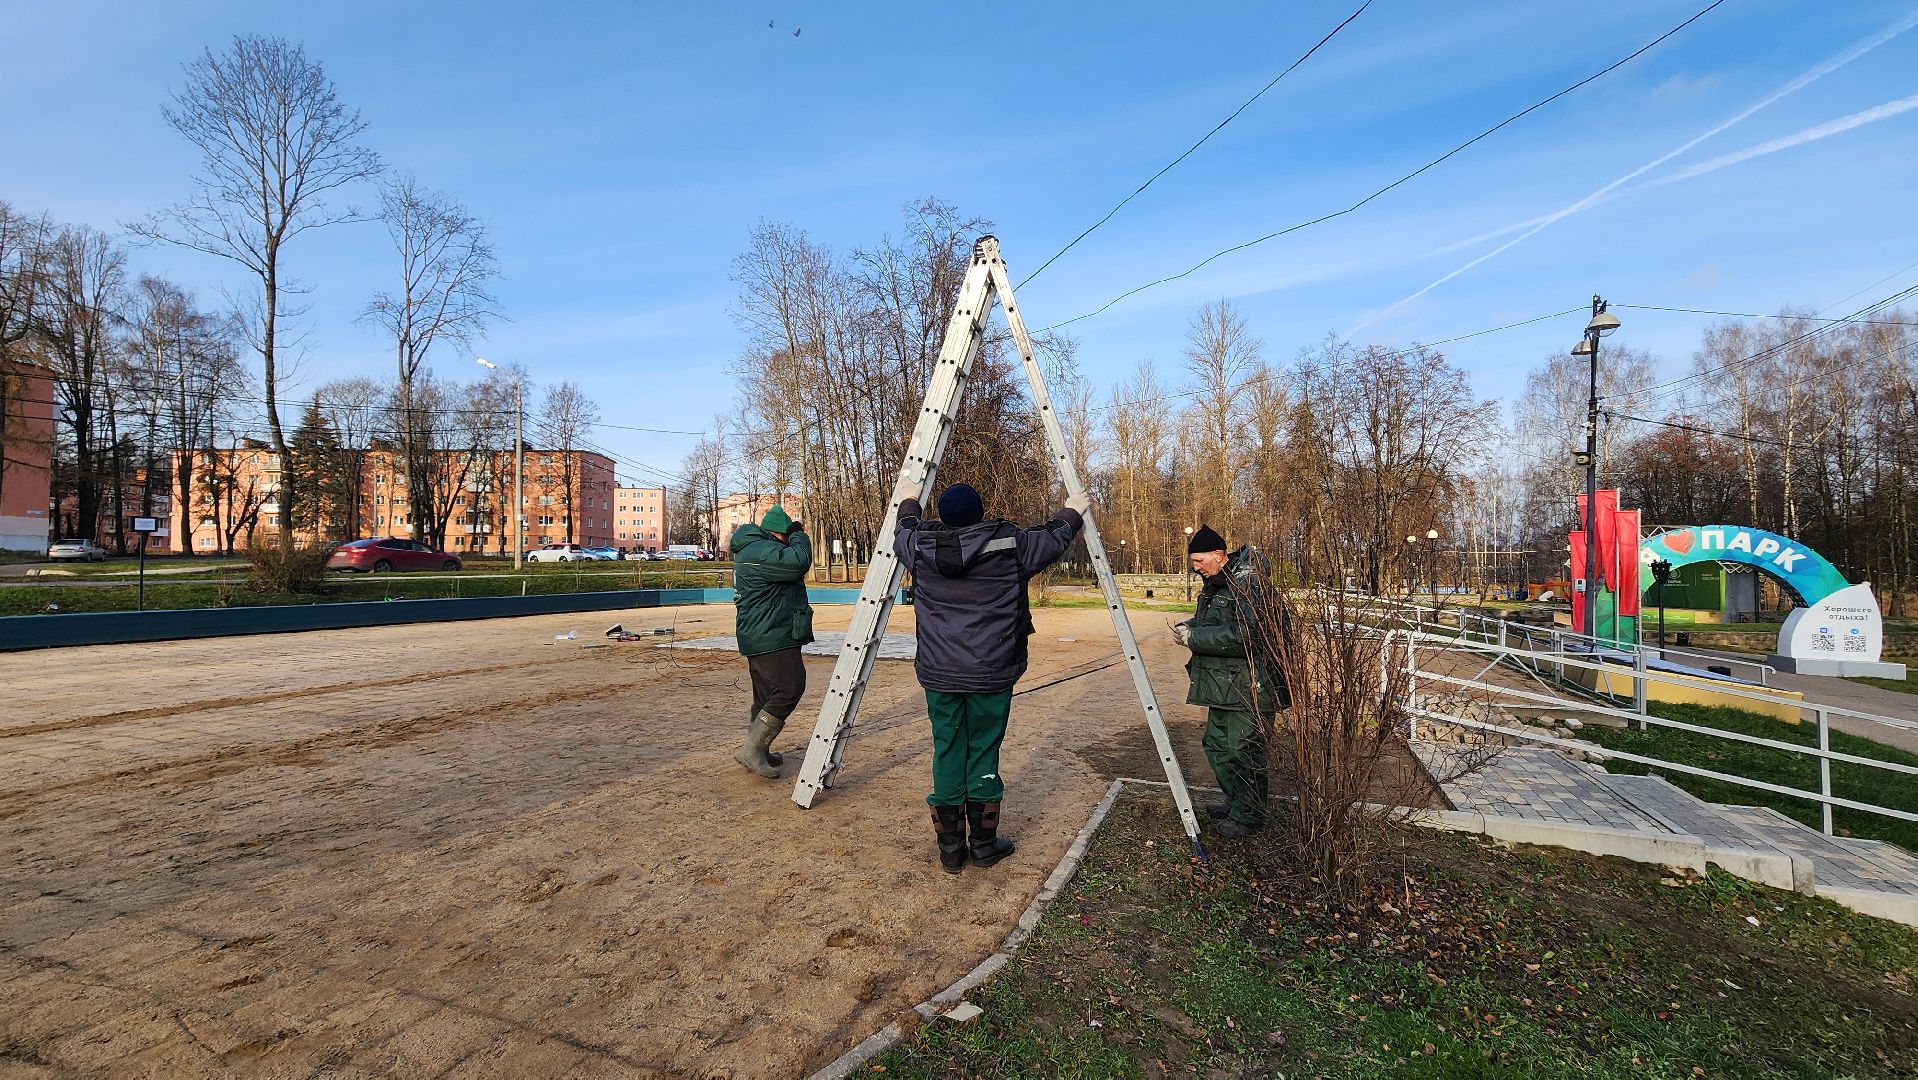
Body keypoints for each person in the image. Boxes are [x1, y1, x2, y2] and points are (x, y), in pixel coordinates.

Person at [896, 482, 1086, 873]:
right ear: (980, 513)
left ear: (943, 516)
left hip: (940, 671)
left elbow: (904, 526)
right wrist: (1074, 510)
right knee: (983, 748)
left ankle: (950, 848)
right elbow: (1054, 537)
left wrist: (911, 497)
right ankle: (983, 844)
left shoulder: (917, 547)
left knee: (947, 747)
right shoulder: (1010, 544)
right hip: (992, 669)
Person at [1173, 524, 1289, 838]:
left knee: (1244, 749)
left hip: (1253, 686)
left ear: (1219, 555)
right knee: (1217, 744)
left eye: (1199, 561)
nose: (1195, 568)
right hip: (1229, 685)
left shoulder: (1249, 583)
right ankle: (1238, 801)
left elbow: (1247, 634)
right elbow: (1221, 621)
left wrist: (1194, 637)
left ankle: (1249, 815)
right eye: (1193, 562)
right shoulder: (1220, 582)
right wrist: (1191, 624)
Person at [729, 505, 813, 778]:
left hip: (763, 633)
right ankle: (752, 750)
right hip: (770, 635)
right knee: (790, 687)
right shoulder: (762, 551)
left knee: (765, 695)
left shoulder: (755, 549)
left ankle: (759, 750)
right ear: (779, 534)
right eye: (786, 538)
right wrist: (798, 534)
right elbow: (798, 562)